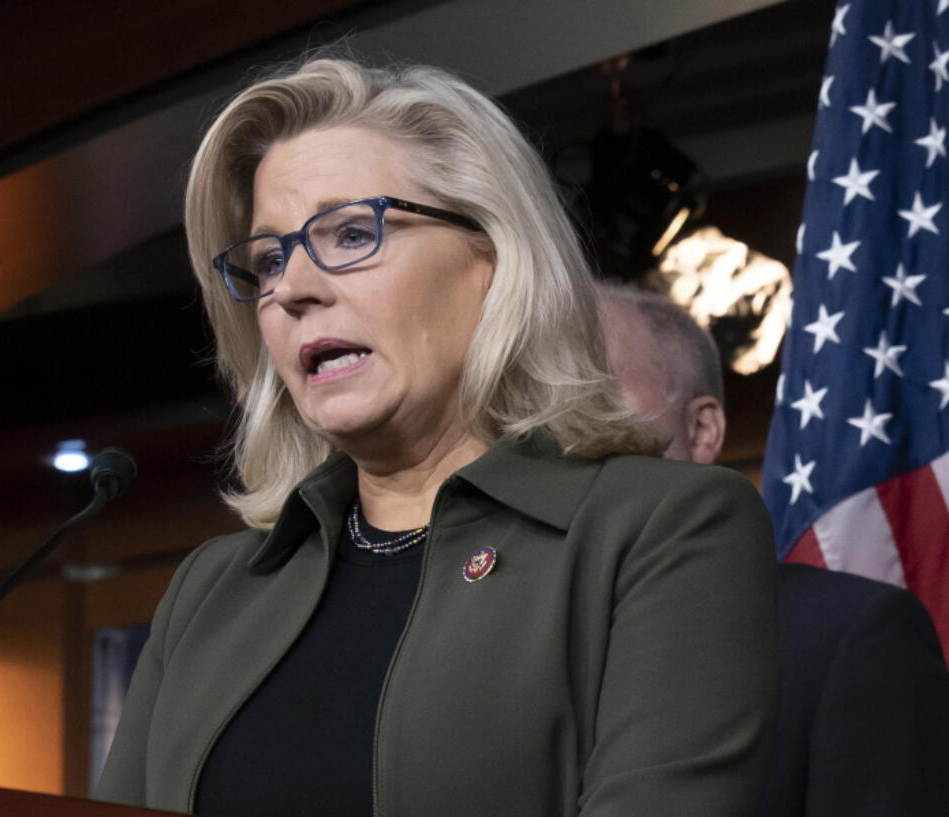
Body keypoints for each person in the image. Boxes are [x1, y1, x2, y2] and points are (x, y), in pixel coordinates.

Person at [95, 57, 779, 817]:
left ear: (491, 257)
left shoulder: (666, 528)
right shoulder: (210, 590)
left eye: (351, 232)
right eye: (267, 261)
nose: (291, 288)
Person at [598, 283, 949, 817]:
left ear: (701, 428)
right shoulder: (497, 638)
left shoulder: (846, 636)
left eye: (591, 395)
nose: (555, 431)